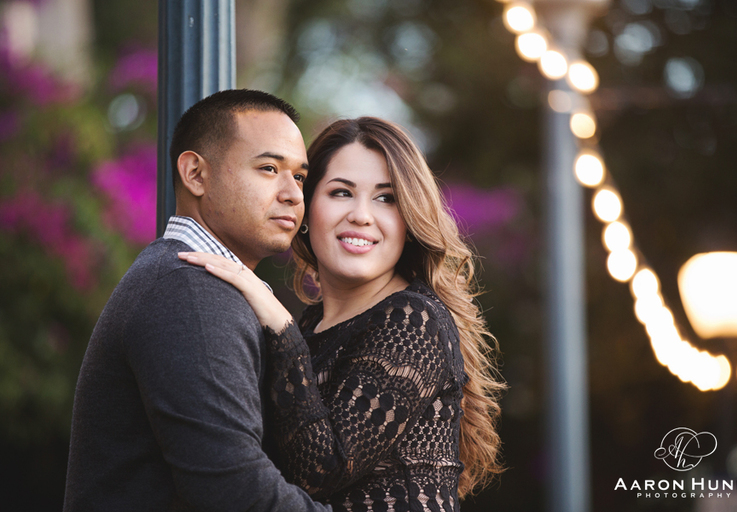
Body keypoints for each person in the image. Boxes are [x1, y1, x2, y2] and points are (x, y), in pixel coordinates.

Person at [179, 117, 505, 512]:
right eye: (341, 193)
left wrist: (278, 325)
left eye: (386, 198)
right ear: (305, 207)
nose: (362, 216)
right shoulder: (310, 326)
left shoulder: (414, 320)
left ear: (409, 221)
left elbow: (321, 469)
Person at [64, 89, 331, 512]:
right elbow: (236, 493)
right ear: (195, 174)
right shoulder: (190, 291)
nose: (294, 195)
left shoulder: (199, 284)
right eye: (268, 168)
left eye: (299, 176)